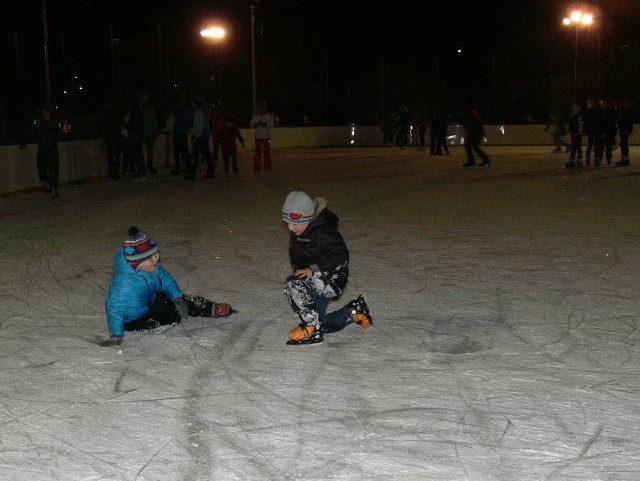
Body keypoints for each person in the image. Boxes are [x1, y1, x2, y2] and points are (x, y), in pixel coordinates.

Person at [102, 227, 235, 346]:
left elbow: (166, 280)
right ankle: (167, 317)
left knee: (181, 301)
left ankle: (207, 307)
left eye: (156, 255)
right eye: (150, 258)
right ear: (136, 262)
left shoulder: (152, 268)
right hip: (134, 319)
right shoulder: (125, 283)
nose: (155, 260)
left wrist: (177, 297)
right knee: (173, 316)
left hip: (151, 300)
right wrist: (116, 334)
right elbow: (115, 310)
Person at [281, 191, 374, 345]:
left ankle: (312, 327)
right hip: (318, 277)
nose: (290, 228)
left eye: (294, 224)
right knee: (321, 321)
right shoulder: (302, 229)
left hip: (332, 277)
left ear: (307, 218)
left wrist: (313, 269)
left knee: (293, 284)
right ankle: (355, 310)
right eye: (288, 223)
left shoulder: (322, 231)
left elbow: (341, 255)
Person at [32, 104, 63, 199]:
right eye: (43, 111)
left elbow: (58, 133)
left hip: (52, 148)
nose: (44, 113)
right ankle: (46, 182)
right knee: (41, 168)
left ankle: (54, 189)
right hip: (42, 148)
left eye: (46, 111)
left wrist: (53, 139)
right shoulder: (38, 122)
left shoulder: (55, 122)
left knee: (54, 169)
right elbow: (34, 132)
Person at [185, 95, 214, 181]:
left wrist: (195, 136)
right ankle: (210, 171)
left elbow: (199, 126)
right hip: (203, 137)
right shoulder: (203, 112)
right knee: (207, 155)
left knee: (194, 156)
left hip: (200, 137)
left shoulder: (199, 112)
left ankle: (192, 174)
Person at [170, 95, 193, 175]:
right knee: (184, 151)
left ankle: (178, 169)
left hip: (177, 132)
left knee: (177, 152)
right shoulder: (186, 110)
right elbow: (190, 121)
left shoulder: (177, 111)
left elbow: (174, 122)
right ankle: (188, 167)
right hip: (183, 132)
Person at [249, 101, 275, 172]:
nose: (261, 109)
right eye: (261, 107)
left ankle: (267, 167)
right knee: (258, 153)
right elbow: (251, 125)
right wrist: (256, 125)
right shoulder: (255, 116)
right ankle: (257, 167)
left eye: (263, 108)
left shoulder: (268, 116)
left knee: (267, 152)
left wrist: (265, 125)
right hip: (258, 137)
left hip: (266, 137)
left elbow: (272, 124)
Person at [139, 92, 158, 174]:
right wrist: (154, 132)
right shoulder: (149, 109)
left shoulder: (143, 110)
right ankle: (148, 165)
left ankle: (146, 166)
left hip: (144, 133)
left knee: (145, 151)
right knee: (149, 150)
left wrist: (154, 132)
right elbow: (154, 121)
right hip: (147, 133)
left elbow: (153, 121)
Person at [615, 98, 635, 167]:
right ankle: (624, 158)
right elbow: (621, 120)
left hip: (626, 130)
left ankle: (626, 159)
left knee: (624, 144)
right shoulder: (623, 111)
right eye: (624, 103)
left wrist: (628, 130)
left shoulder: (630, 111)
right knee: (623, 144)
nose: (625, 104)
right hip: (623, 130)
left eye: (626, 103)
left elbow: (629, 122)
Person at [565, 103, 584, 169]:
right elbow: (571, 125)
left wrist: (579, 133)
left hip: (577, 134)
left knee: (577, 146)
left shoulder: (578, 116)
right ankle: (572, 159)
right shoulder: (573, 116)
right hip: (574, 133)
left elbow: (580, 125)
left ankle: (579, 159)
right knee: (573, 147)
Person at [583, 98, 600, 167]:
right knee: (593, 145)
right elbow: (586, 122)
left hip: (594, 130)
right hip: (592, 130)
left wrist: (585, 130)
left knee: (593, 145)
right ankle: (590, 158)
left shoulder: (592, 111)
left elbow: (587, 122)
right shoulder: (591, 111)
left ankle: (593, 158)